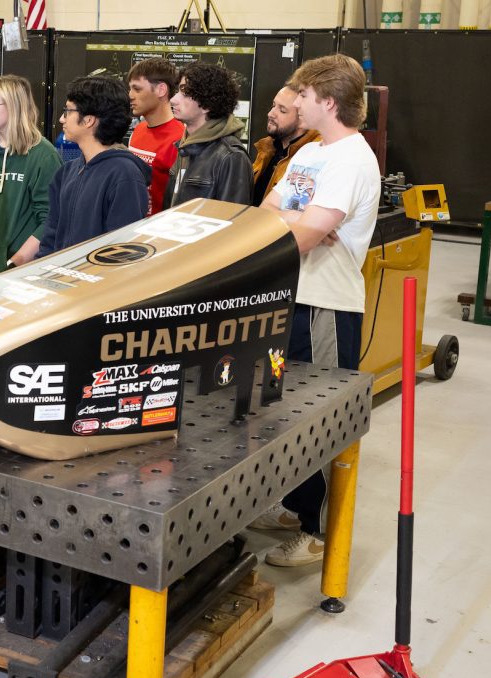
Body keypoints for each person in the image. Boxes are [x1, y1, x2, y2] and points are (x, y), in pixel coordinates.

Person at [257, 54, 380, 568]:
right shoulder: (311, 156)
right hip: (290, 299)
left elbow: (306, 236)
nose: (294, 103)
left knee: (317, 414)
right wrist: (301, 221)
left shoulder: (352, 158)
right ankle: (294, 506)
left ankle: (314, 532)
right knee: (282, 407)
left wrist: (303, 225)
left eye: (303, 96)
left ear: (327, 101)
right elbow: (267, 214)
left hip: (323, 306)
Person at [37, 76, 151, 257]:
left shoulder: (125, 176)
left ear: (89, 120)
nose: (61, 119)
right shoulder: (66, 172)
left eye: (67, 111)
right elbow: (50, 237)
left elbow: (121, 252)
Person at [0, 74, 61, 279]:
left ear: (14, 106)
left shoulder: (43, 156)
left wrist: (14, 264)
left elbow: (51, 220)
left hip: (15, 275)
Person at [161, 61, 251, 209]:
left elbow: (232, 222)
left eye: (185, 93)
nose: (173, 99)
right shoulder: (186, 146)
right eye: (178, 91)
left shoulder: (231, 156)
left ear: (207, 104)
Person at [126, 58, 185, 216]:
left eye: (137, 89)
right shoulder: (137, 130)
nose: (130, 95)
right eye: (130, 89)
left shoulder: (180, 139)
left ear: (161, 90)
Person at [251, 82, 321, 207]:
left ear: (302, 116)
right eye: (273, 106)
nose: (271, 114)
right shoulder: (268, 148)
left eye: (282, 110)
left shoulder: (313, 156)